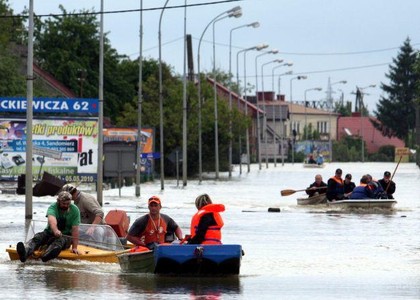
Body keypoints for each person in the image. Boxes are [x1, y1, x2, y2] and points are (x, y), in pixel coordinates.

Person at [16, 191, 80, 262]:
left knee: (60, 241)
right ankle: (25, 253)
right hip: (50, 232)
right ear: (58, 201)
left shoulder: (75, 210)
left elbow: (75, 229)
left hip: (65, 236)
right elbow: (52, 220)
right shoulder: (53, 207)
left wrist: (74, 247)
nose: (66, 206)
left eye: (68, 204)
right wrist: (55, 231)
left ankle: (47, 255)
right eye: (63, 204)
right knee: (38, 237)